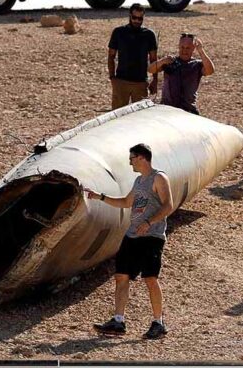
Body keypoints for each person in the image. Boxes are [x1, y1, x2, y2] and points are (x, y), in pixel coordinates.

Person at [86, 143, 174, 340]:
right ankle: (118, 321)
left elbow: (169, 205)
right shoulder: (138, 181)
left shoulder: (159, 178)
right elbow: (126, 203)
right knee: (121, 275)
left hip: (152, 236)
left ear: (142, 158)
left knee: (150, 278)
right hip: (132, 235)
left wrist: (149, 222)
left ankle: (158, 323)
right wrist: (99, 197)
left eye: (132, 158)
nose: (130, 162)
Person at [148, 33, 215, 115]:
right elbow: (150, 70)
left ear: (193, 49)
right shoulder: (170, 61)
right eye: (182, 47)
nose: (184, 50)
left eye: (188, 48)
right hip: (167, 109)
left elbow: (210, 70)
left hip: (188, 110)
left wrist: (201, 51)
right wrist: (162, 61)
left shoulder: (197, 65)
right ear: (179, 47)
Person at [108, 4, 158, 110]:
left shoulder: (149, 35)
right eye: (134, 18)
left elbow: (153, 59)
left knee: (140, 119)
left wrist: (155, 80)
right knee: (117, 118)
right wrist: (112, 77)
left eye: (140, 18)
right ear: (129, 16)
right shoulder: (118, 32)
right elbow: (111, 56)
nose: (137, 21)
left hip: (140, 82)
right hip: (121, 81)